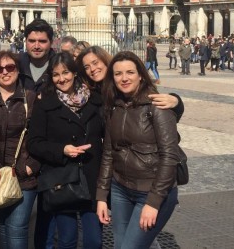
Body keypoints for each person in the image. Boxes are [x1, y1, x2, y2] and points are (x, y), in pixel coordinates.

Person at [96, 51, 180, 249]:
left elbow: (170, 156)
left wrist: (154, 201)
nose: (124, 78)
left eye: (130, 72)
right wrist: (101, 196)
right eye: (118, 74)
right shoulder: (114, 107)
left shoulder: (157, 106)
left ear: (141, 74)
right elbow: (109, 153)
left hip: (149, 190)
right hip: (120, 190)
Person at [27, 52, 104, 249]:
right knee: (67, 239)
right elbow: (34, 142)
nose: (61, 79)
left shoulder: (95, 100)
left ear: (75, 73)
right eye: (56, 74)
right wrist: (62, 149)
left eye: (66, 72)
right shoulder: (45, 104)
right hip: (61, 178)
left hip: (91, 176)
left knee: (94, 240)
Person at [0, 50, 39, 249]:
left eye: (10, 67)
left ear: (18, 69)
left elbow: (42, 137)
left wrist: (30, 166)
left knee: (16, 228)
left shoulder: (30, 98)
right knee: (3, 225)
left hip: (24, 176)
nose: (5, 72)